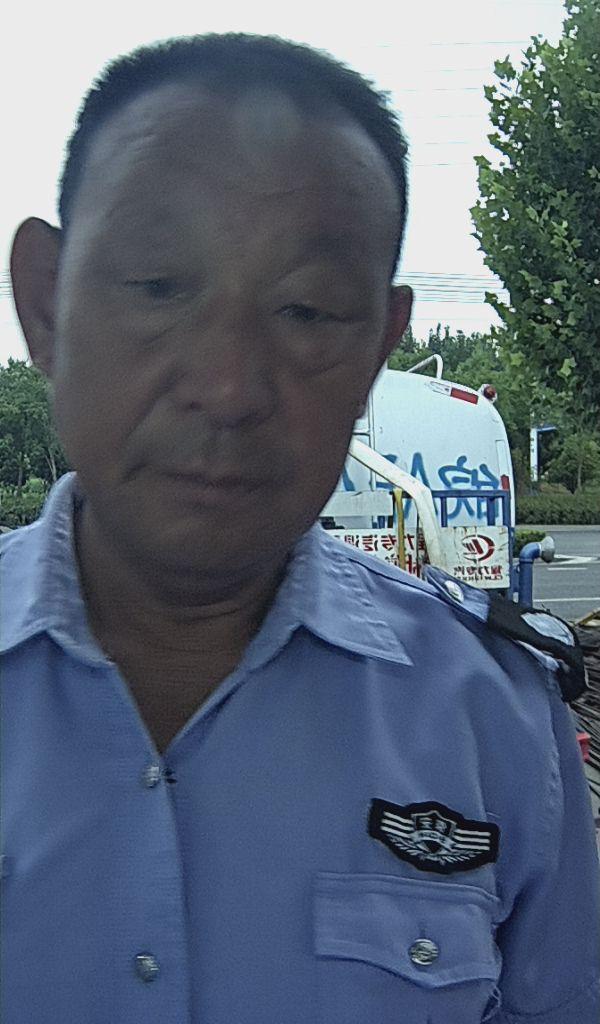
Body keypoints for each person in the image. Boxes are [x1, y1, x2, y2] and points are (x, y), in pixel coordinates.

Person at [2, 33, 598, 1024]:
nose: (229, 386)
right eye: (159, 286)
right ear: (44, 304)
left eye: (308, 310)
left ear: (379, 347)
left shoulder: (493, 721)